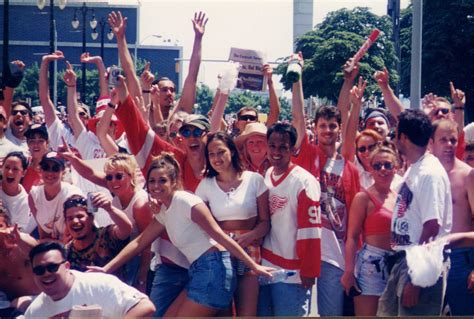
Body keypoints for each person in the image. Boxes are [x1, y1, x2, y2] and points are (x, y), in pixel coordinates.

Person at [89, 153, 273, 317]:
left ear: (174, 181)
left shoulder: (186, 201)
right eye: (152, 181)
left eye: (162, 181)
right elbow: (139, 242)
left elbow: (219, 236)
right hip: (200, 270)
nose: (156, 186)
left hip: (214, 269)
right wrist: (106, 269)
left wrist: (254, 266)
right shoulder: (164, 211)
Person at [291, 55, 360, 316]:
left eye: (332, 126)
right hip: (306, 249)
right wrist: (297, 77)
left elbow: (347, 116)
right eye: (323, 126)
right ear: (315, 129)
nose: (328, 130)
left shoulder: (349, 165)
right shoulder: (308, 154)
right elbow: (298, 116)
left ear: (339, 130)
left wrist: (348, 83)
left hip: (336, 254)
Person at [377, 110, 452, 316]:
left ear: (403, 137)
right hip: (404, 261)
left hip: (421, 268)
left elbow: (432, 227)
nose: (393, 137)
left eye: (396, 132)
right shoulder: (416, 168)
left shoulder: (429, 173)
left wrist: (417, 279)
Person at [196, 132, 270, 316]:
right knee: (223, 313)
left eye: (220, 152)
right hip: (220, 254)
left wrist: (249, 237)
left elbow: (265, 223)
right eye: (211, 154)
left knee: (247, 313)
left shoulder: (254, 180)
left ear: (233, 152)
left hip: (249, 250)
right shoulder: (205, 185)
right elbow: (199, 223)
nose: (216, 158)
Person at [257, 123, 321, 316]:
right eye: (272, 146)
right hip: (266, 268)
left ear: (293, 149)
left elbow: (311, 231)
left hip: (292, 274)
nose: (276, 152)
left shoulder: (304, 182)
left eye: (283, 147)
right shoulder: (267, 174)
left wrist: (309, 271)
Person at [341, 142, 399, 315]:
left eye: (388, 165)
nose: (383, 169)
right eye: (377, 165)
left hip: (396, 264)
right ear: (370, 169)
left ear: (396, 168)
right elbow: (352, 237)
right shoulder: (363, 198)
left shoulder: (400, 198)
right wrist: (349, 271)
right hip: (371, 267)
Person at [24, 241, 155, 318]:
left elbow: (145, 306)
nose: (46, 274)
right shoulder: (35, 312)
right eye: (39, 270)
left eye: (52, 267)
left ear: (67, 266)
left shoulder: (98, 284)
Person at [430, 119, 474, 315]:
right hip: (429, 258)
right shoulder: (423, 174)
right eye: (443, 140)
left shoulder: (468, 176)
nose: (449, 145)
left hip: (460, 260)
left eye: (453, 140)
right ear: (431, 142)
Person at [63, 194, 131, 278]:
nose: (75, 221)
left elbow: (126, 229)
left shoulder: (106, 235)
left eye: (80, 216)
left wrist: (110, 209)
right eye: (70, 218)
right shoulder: (66, 252)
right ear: (65, 223)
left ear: (91, 218)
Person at [28, 151, 83, 240]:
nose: (50, 172)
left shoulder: (72, 196)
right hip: (56, 245)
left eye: (55, 168)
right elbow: (44, 235)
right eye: (46, 167)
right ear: (40, 170)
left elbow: (74, 239)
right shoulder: (34, 195)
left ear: (63, 171)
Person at [0, 208, 40, 314]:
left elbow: (41, 253)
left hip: (38, 298)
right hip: (7, 303)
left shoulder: (22, 241)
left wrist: (19, 241)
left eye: (0, 226)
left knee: (17, 304)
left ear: (8, 227)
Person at [0, 151, 36, 233]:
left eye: (15, 169)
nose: (10, 172)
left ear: (23, 173)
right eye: (7, 167)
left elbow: (19, 234)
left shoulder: (25, 202)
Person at [22, 123, 50, 192]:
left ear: (47, 143)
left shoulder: (56, 166)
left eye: (40, 141)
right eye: (32, 141)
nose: (36, 145)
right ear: (27, 144)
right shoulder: (23, 166)